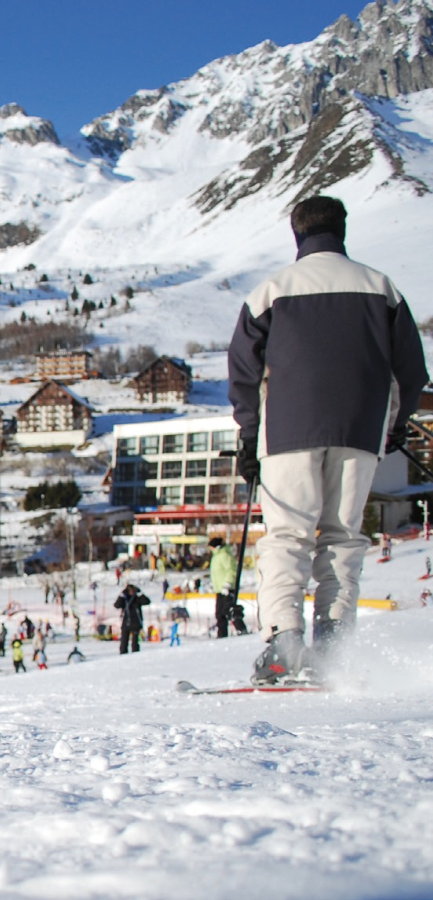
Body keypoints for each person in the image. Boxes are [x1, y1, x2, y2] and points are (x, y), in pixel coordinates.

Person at [229, 196, 428, 683]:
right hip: (360, 430)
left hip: (288, 431)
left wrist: (249, 438)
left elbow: (243, 373)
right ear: (342, 231)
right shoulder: (382, 288)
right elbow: (411, 372)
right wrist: (394, 425)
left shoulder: (272, 291)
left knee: (289, 535)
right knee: (342, 536)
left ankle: (284, 645)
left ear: (297, 235)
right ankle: (334, 648)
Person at [208, 537, 241, 639]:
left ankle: (241, 629)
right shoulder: (216, 557)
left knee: (230, 611)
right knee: (219, 614)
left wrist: (228, 584)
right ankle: (222, 635)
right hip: (219, 590)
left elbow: (231, 570)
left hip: (227, 589)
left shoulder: (224, 555)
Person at [114, 584, 150, 654]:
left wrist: (140, 594)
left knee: (135, 642)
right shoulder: (125, 598)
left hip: (136, 622)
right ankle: (123, 654)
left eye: (133, 591)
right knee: (124, 641)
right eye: (130, 591)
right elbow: (117, 605)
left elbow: (147, 602)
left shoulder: (137, 598)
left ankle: (135, 654)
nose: (131, 592)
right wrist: (121, 596)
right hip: (126, 621)